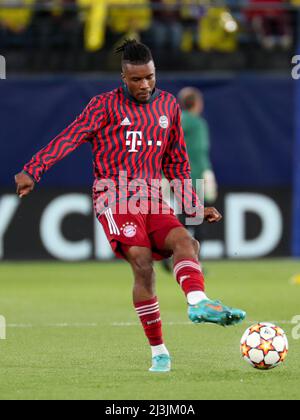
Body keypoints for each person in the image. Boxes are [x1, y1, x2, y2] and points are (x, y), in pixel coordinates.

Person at [15, 39, 246, 373]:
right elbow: (69, 137)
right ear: (123, 78)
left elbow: (178, 165)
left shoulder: (168, 106)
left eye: (150, 77)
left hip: (151, 196)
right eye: (136, 79)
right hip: (113, 195)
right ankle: (159, 352)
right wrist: (33, 170)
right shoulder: (103, 106)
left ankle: (198, 303)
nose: (145, 85)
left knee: (187, 242)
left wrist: (195, 207)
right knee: (141, 260)